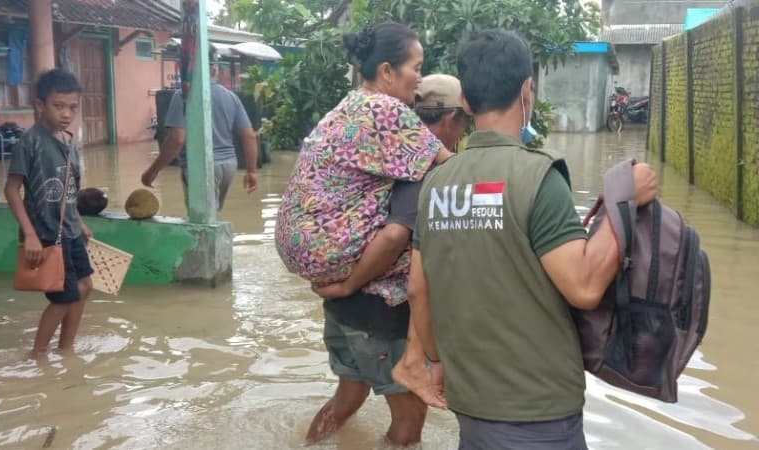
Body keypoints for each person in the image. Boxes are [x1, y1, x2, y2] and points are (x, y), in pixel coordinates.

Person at [407, 29, 658, 449]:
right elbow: (582, 286)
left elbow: (418, 289)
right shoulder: (538, 175)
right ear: (528, 90)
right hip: (538, 412)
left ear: (465, 102)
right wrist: (625, 202)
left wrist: (438, 360)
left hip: (470, 403)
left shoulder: (435, 184)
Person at [274, 22, 452, 446]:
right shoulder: (389, 114)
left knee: (345, 400)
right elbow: (451, 170)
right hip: (368, 301)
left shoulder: (349, 106)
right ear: (388, 71)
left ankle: (307, 445)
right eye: (417, 67)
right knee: (408, 425)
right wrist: (351, 283)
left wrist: (343, 286)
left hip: (322, 273)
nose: (420, 78)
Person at [4, 69, 93, 357]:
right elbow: (11, 190)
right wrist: (29, 235)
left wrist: (78, 221)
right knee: (62, 297)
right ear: (40, 106)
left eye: (72, 107)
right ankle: (38, 356)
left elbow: (69, 191)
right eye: (59, 106)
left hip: (69, 230)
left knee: (85, 286)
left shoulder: (69, 143)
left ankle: (66, 348)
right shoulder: (30, 141)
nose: (66, 114)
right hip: (45, 232)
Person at [141, 47, 258, 213]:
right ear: (214, 70)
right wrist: (252, 171)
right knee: (212, 215)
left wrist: (152, 172)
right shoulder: (231, 96)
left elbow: (177, 140)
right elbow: (249, 136)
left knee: (201, 219)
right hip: (229, 165)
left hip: (200, 166)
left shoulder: (183, 95)